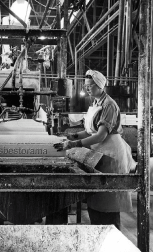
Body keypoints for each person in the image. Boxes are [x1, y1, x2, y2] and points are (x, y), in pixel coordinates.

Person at [53, 70, 136, 230]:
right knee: (97, 198)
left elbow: (100, 136)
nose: (87, 89)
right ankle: (98, 233)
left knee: (108, 201)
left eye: (90, 86)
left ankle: (112, 239)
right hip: (99, 153)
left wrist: (73, 144)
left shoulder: (109, 105)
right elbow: (90, 131)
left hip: (111, 154)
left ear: (99, 86)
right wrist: (72, 135)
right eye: (85, 86)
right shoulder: (95, 103)